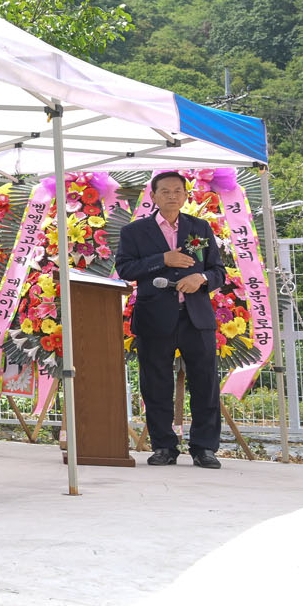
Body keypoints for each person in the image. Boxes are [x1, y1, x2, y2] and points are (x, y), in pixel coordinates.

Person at [118, 170, 228, 469]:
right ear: (153, 196)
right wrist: (162, 260)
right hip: (154, 318)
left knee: (205, 383)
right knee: (156, 384)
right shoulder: (134, 232)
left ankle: (204, 448)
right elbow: (125, 269)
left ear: (185, 195)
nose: (172, 196)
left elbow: (218, 271)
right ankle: (164, 446)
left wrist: (201, 278)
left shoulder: (199, 228)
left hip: (196, 317)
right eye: (165, 191)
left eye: (178, 191)